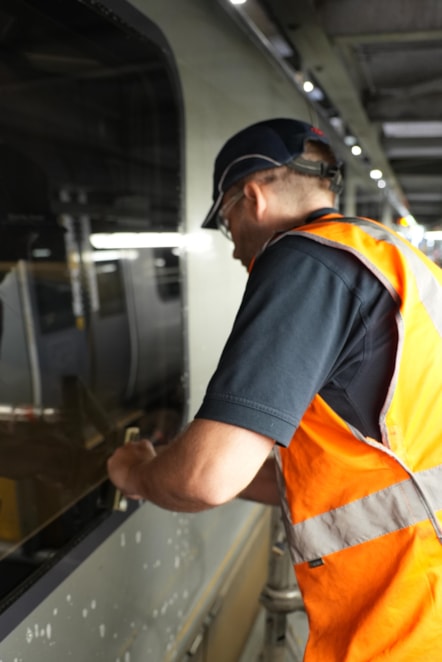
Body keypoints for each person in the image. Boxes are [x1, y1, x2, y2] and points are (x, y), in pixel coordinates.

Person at [107, 118, 442, 661]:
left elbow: (205, 479)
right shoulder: (389, 256)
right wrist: (194, 462)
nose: (235, 246)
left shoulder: (304, 261)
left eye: (225, 220)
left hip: (403, 620)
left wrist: (138, 472)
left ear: (253, 198)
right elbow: (360, 473)